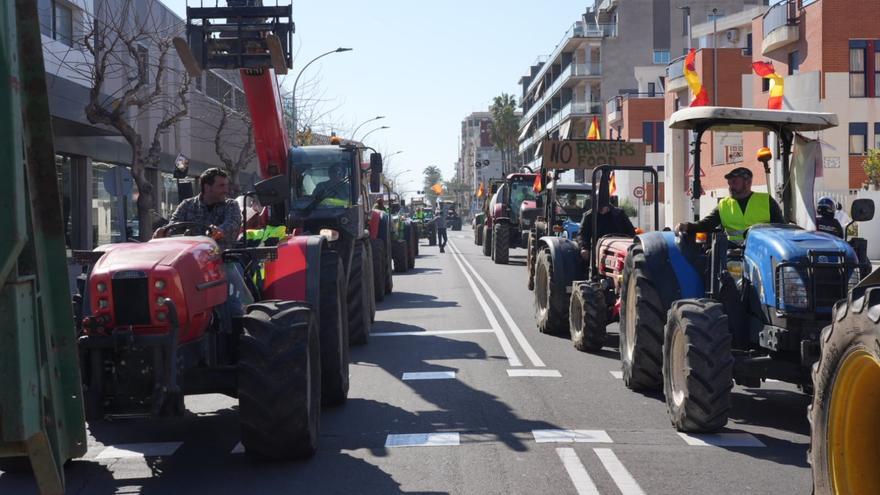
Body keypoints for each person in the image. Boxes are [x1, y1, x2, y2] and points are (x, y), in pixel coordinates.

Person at [675, 166, 784, 242]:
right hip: (732, 253)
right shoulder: (724, 204)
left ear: (748, 182)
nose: (731, 187)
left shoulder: (766, 200)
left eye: (735, 182)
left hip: (761, 251)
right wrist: (687, 226)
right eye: (729, 183)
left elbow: (781, 227)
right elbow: (706, 225)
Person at [161, 168, 242, 248]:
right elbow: (173, 226)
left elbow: (232, 224)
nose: (226, 190)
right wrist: (164, 231)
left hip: (222, 258)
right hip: (191, 256)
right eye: (221, 186)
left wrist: (218, 231)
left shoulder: (231, 205)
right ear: (207, 187)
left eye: (226, 185)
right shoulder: (187, 205)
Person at [578, 173, 636, 260]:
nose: (601, 209)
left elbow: (631, 232)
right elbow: (582, 235)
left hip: (619, 249)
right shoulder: (589, 216)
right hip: (596, 251)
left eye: (603, 206)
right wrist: (584, 248)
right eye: (599, 206)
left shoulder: (619, 214)